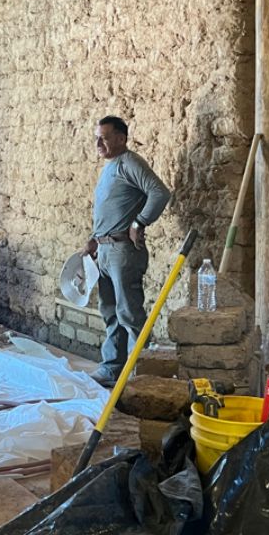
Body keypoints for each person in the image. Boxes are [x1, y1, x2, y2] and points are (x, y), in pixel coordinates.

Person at [83, 115, 170, 388]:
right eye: (97, 137)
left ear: (121, 138)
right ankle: (113, 368)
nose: (99, 142)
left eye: (105, 137)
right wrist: (94, 239)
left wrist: (139, 222)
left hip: (123, 251)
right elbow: (110, 209)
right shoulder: (109, 168)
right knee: (110, 311)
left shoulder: (130, 163)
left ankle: (139, 376)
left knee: (129, 313)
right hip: (105, 250)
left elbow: (159, 192)